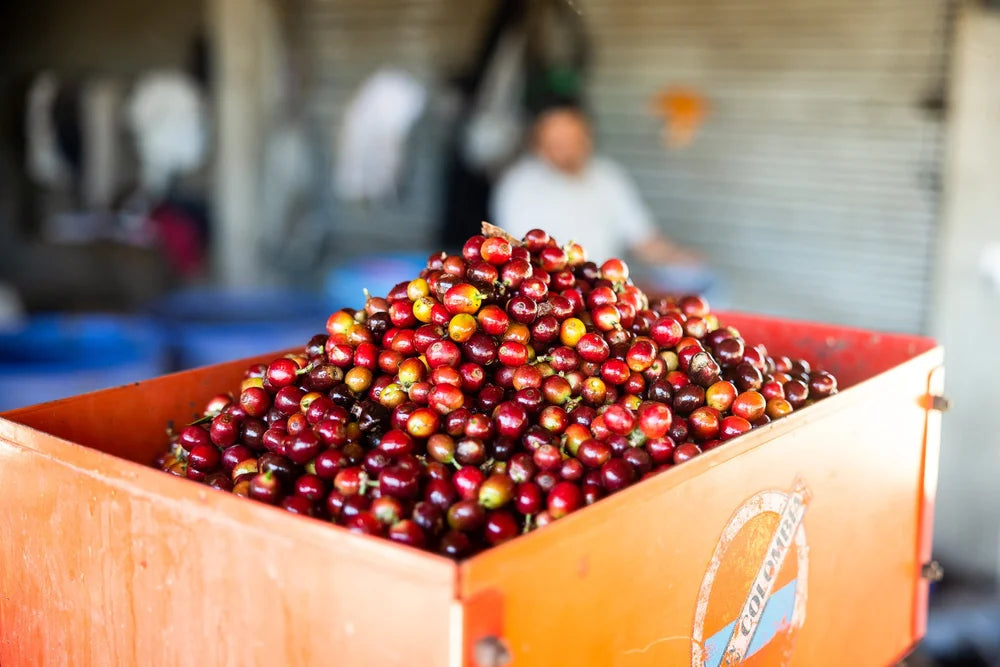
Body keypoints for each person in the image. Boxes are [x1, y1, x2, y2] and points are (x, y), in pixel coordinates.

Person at [491, 104, 698, 265]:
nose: (567, 150)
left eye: (574, 140)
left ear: (588, 138)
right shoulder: (519, 185)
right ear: (538, 145)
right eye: (557, 143)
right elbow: (517, 250)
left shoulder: (609, 177)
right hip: (547, 293)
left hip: (603, 294)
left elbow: (643, 240)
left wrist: (683, 260)